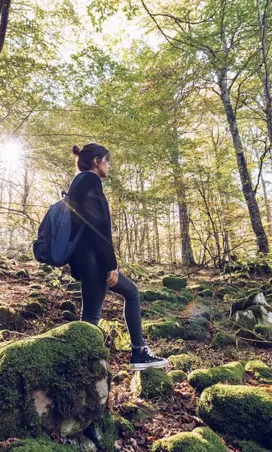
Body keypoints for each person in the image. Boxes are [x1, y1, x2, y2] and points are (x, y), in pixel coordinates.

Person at [67, 143, 168, 371]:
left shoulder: (78, 183)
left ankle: (134, 352)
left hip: (85, 260)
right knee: (111, 305)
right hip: (95, 260)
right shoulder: (91, 181)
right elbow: (97, 226)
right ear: (96, 161)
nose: (109, 166)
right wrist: (110, 264)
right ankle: (134, 355)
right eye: (107, 161)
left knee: (94, 313)